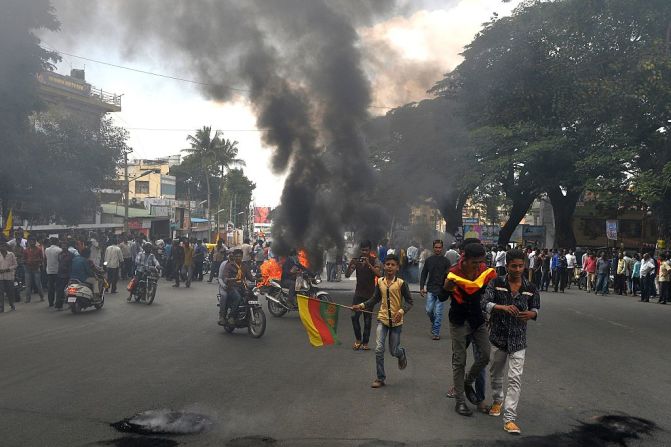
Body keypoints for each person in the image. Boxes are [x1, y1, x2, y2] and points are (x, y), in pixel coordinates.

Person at [483, 249, 540, 435]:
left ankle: (510, 419)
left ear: (525, 266)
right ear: (506, 265)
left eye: (520, 265)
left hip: (518, 341)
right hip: (498, 338)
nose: (517, 269)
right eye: (513, 266)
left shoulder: (531, 288)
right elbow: (484, 303)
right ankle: (498, 400)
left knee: (515, 378)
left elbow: (536, 309)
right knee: (496, 373)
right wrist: (502, 307)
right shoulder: (496, 282)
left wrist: (531, 314)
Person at [441, 240, 495, 416]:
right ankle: (460, 401)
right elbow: (441, 296)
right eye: (475, 262)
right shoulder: (452, 273)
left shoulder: (483, 272)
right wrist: (447, 288)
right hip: (458, 320)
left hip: (478, 320)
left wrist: (490, 313)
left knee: (486, 355)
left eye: (481, 262)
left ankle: (467, 382)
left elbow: (487, 294)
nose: (478, 266)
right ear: (464, 258)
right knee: (459, 360)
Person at [352, 254, 412, 388]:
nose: (389, 267)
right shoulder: (380, 282)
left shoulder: (401, 284)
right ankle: (380, 378)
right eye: (387, 264)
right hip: (383, 320)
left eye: (393, 265)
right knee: (379, 349)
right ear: (384, 266)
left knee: (393, 350)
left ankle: (401, 354)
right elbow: (374, 299)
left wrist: (401, 311)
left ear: (397, 268)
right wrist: (361, 306)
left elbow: (409, 301)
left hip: (396, 323)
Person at [345, 241, 382, 350]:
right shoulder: (357, 261)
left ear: (370, 250)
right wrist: (350, 265)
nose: (364, 252)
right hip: (358, 294)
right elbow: (347, 275)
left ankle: (365, 343)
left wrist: (369, 264)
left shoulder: (374, 260)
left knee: (367, 319)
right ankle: (358, 340)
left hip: (370, 295)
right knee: (354, 317)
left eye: (366, 250)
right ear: (360, 250)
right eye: (363, 250)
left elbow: (379, 274)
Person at [420, 239, 451, 340]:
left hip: (441, 290)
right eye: (436, 247)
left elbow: (450, 276)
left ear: (442, 248)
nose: (438, 249)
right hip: (431, 289)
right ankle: (434, 323)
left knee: (438, 312)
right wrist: (421, 287)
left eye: (439, 247)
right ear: (433, 248)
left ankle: (436, 332)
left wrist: (450, 290)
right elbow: (424, 273)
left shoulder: (446, 261)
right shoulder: (429, 260)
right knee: (429, 310)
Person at [220, 249, 254, 323]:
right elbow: (225, 277)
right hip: (232, 287)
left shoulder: (244, 266)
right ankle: (231, 316)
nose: (238, 258)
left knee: (252, 296)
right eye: (237, 256)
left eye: (240, 256)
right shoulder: (229, 265)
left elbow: (250, 277)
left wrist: (260, 278)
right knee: (237, 298)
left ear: (242, 257)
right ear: (234, 257)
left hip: (242, 286)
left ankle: (248, 315)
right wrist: (231, 279)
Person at [24, 236, 44, 303]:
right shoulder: (26, 250)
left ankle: (41, 296)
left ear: (35, 242)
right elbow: (24, 259)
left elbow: (42, 259)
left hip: (36, 268)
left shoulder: (39, 249)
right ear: (29, 242)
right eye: (31, 241)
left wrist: (36, 260)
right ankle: (28, 299)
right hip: (28, 269)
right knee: (28, 285)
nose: (32, 242)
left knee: (38, 284)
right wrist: (27, 261)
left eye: (33, 241)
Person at [44, 237, 62, 307]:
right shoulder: (59, 250)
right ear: (57, 242)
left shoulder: (46, 250)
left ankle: (50, 302)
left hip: (49, 271)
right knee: (58, 288)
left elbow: (45, 259)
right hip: (57, 271)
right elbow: (60, 260)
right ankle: (58, 302)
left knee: (50, 288)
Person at [0, 241, 17, 312]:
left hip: (9, 276)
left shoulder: (11, 254)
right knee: (0, 292)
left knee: (10, 291)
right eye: (1, 246)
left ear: (6, 247)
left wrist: (8, 269)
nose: (2, 247)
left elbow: (15, 265)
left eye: (3, 246)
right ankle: (1, 307)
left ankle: (12, 304)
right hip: (0, 276)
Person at [55, 240, 72, 310]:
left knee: (70, 291)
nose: (63, 247)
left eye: (65, 246)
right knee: (60, 290)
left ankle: (71, 304)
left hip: (68, 275)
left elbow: (71, 265)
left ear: (67, 247)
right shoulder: (59, 254)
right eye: (62, 246)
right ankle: (59, 305)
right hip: (60, 274)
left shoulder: (70, 255)